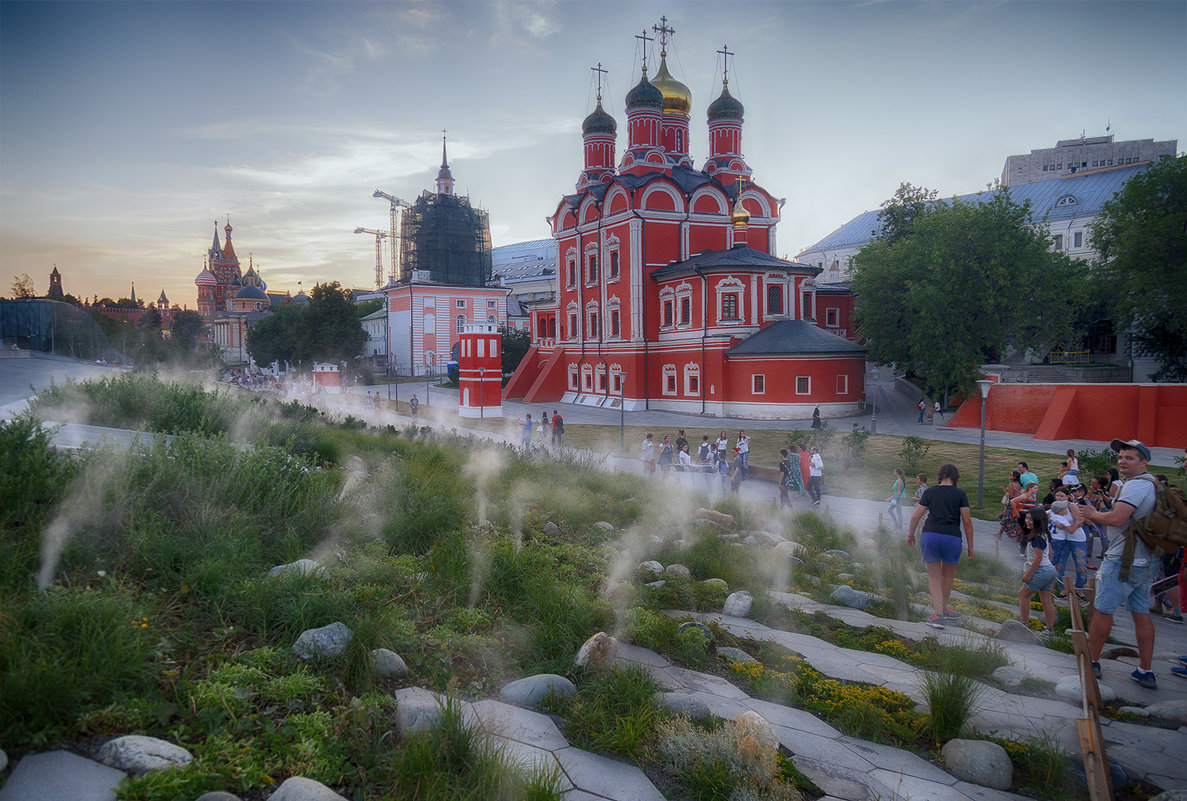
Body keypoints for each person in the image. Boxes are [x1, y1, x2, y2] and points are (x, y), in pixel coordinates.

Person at [1082, 439, 1159, 689]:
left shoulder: (1136, 486)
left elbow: (1117, 518)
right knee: (1141, 613)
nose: (1123, 461)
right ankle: (1145, 670)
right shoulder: (1152, 485)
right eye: (1121, 457)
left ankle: (1092, 662)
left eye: (1130, 457)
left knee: (1103, 610)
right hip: (1145, 559)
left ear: (1144, 462)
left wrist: (1091, 514)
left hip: (1123, 560)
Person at [907, 463, 975, 624]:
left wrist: (910, 535)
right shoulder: (960, 494)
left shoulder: (930, 492)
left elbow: (916, 516)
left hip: (931, 535)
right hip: (952, 537)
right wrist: (971, 546)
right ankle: (943, 608)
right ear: (955, 477)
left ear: (940, 475)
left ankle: (938, 614)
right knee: (948, 576)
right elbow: (967, 521)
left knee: (933, 576)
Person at [1018, 507, 1057, 635]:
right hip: (1050, 569)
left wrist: (1028, 575)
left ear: (1039, 521)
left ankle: (1023, 624)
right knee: (1046, 600)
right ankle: (1049, 629)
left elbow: (1038, 558)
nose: (1028, 521)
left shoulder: (1036, 538)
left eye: (1032, 519)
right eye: (1027, 518)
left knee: (1023, 594)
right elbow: (1050, 553)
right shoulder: (1045, 534)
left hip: (1041, 569)